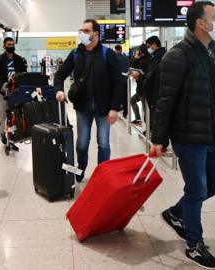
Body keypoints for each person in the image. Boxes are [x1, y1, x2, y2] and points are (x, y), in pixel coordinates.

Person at [150, 2, 215, 269]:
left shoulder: (211, 53)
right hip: (187, 134)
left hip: (209, 132)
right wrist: (158, 139)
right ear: (201, 23)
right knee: (197, 188)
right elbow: (164, 101)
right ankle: (194, 245)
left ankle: (176, 213)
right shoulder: (179, 55)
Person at [54, 19, 121, 182]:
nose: (82, 34)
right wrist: (59, 90)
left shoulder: (107, 54)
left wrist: (114, 108)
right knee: (82, 143)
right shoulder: (76, 54)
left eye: (86, 31)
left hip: (103, 108)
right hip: (83, 107)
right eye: (81, 30)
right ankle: (81, 167)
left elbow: (117, 83)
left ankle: (102, 176)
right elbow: (59, 75)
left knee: (103, 143)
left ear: (96, 34)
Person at [0, 37, 27, 149]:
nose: (11, 46)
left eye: (12, 44)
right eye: (8, 44)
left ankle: (12, 137)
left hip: (16, 94)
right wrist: (2, 86)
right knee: (3, 116)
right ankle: (2, 134)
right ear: (4, 46)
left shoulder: (20, 60)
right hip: (4, 93)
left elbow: (23, 74)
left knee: (15, 116)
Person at [129, 44, 151, 126]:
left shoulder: (144, 61)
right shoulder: (145, 58)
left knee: (146, 109)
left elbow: (132, 67)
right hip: (141, 88)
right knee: (132, 100)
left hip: (144, 89)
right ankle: (138, 120)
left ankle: (149, 129)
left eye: (138, 51)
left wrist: (136, 58)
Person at [114, 45, 130, 118]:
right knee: (125, 96)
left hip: (118, 80)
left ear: (116, 50)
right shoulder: (126, 57)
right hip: (126, 79)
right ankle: (125, 112)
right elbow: (128, 68)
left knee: (117, 95)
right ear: (121, 49)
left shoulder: (115, 58)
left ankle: (118, 109)